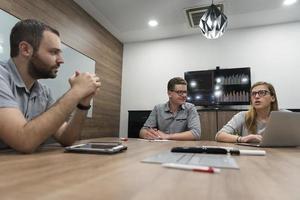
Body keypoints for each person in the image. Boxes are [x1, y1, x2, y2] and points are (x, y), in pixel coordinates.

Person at [0, 19, 101, 153]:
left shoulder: (43, 92)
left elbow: (66, 138)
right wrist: (76, 91)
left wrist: (83, 102)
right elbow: (24, 140)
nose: (61, 60)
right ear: (25, 49)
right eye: (54, 52)